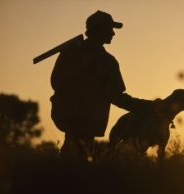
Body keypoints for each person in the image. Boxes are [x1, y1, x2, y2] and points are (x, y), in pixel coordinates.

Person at [50, 10, 155, 162]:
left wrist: (150, 106)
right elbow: (57, 82)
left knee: (80, 160)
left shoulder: (109, 62)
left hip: (92, 119)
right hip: (70, 113)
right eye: (109, 29)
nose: (113, 33)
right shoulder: (72, 51)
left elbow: (117, 97)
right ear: (97, 30)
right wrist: (83, 65)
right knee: (76, 155)